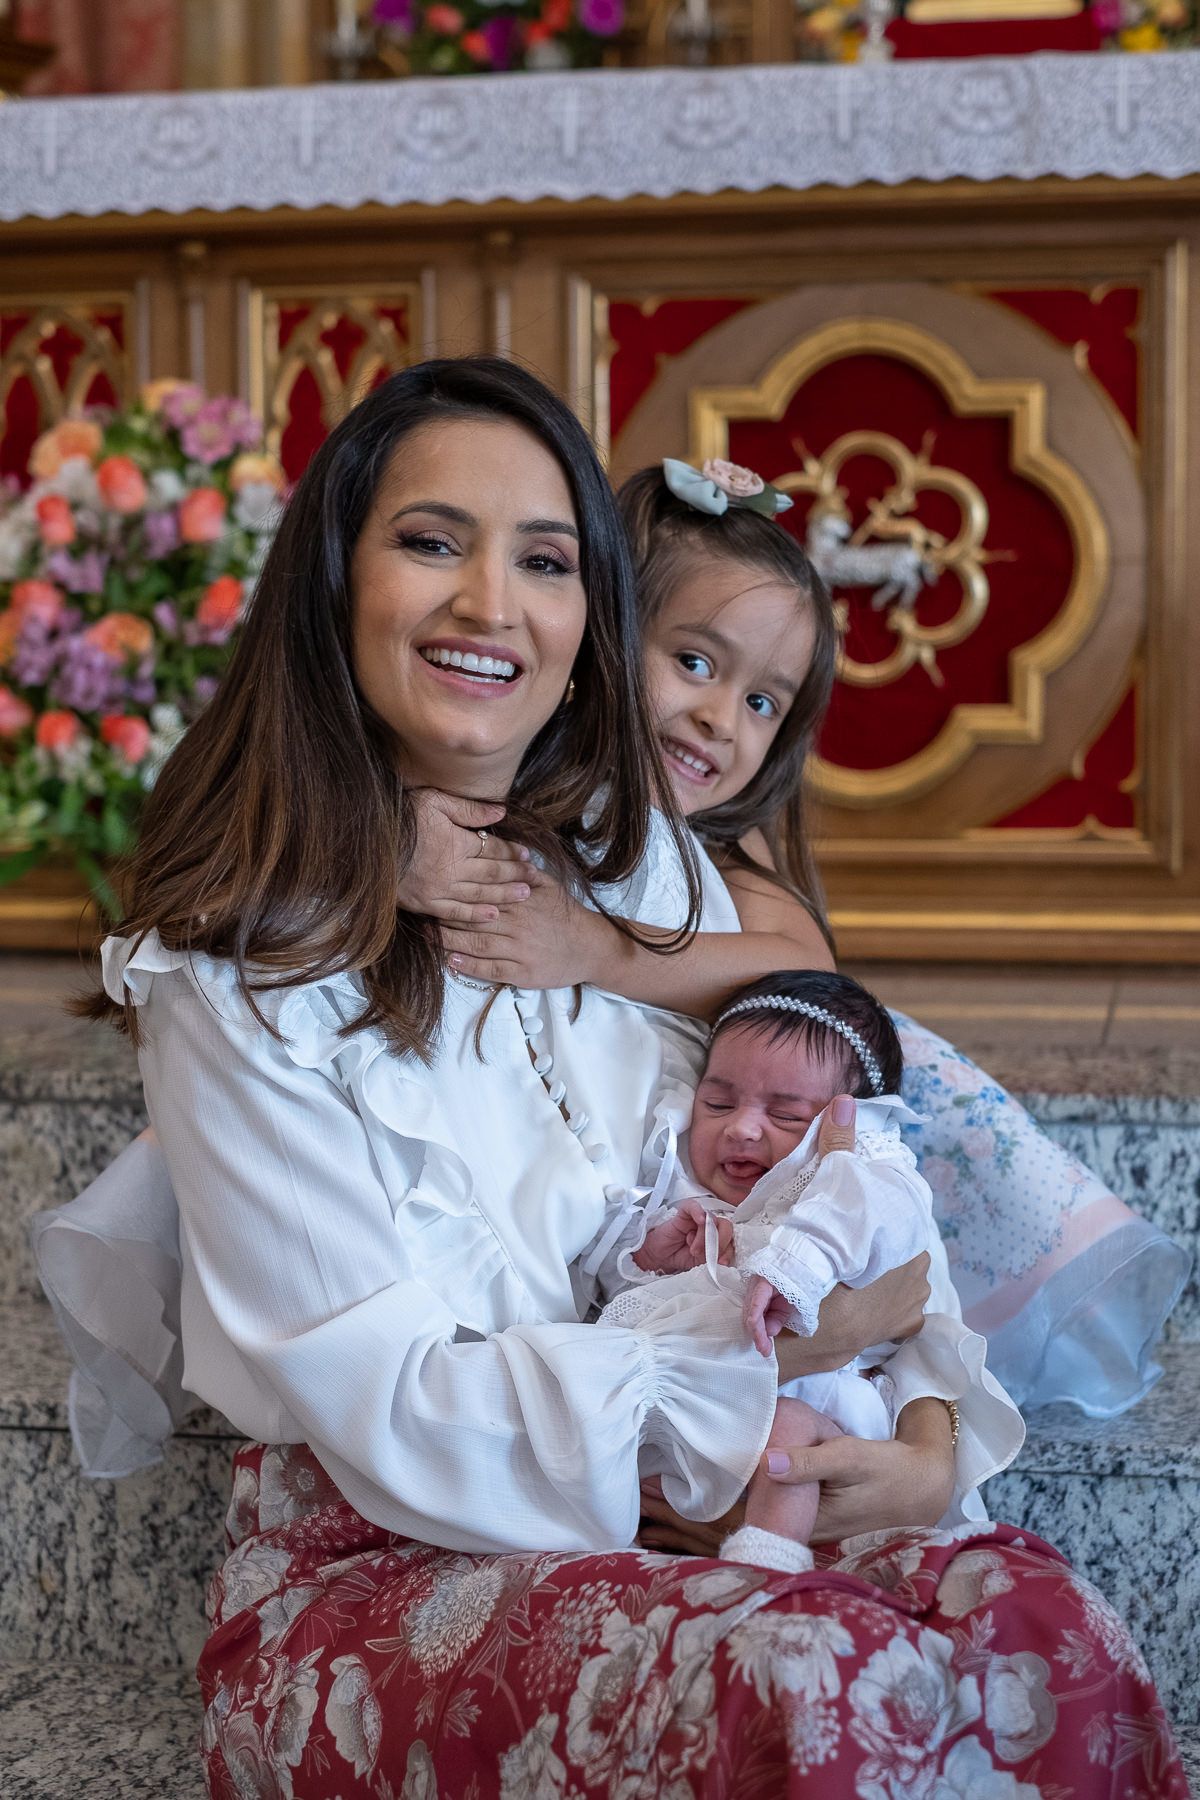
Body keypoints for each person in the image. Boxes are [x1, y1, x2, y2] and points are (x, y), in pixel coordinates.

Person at [34, 368, 1186, 1796]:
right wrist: (756, 1376)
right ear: (334, 582)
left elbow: (839, 1177)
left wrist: (931, 1439)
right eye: (433, 542)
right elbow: (394, 1410)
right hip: (393, 1561)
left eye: (545, 562)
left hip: (726, 1493)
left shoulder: (655, 883)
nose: (491, 605)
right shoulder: (236, 982)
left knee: (1043, 1629)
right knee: (814, 1678)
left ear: (593, 626)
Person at [438, 454, 1191, 1434]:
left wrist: (598, 951)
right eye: (695, 663)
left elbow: (802, 967)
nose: (721, 718)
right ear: (605, 633)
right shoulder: (528, 788)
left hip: (797, 1127)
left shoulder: (713, 845)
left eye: (763, 702)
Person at [586, 968, 1024, 1575]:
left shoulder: (858, 1177)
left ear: (848, 1122)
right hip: (698, 1413)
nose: (741, 1127)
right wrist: (646, 1261)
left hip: (823, 1406)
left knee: (788, 1434)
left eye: (788, 1115)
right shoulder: (681, 1192)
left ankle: (768, 1568)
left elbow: (862, 1218)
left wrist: (793, 1269)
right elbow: (623, 1315)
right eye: (718, 1103)